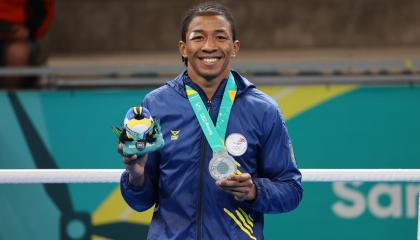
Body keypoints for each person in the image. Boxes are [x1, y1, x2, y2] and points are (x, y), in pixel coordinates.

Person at [118, 2, 303, 239]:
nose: (209, 46)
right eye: (198, 38)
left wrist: (254, 191)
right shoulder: (156, 104)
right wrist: (136, 175)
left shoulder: (264, 110)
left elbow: (291, 190)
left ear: (234, 47)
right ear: (183, 48)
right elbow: (140, 202)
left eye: (220, 37)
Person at [0, 0, 55, 88]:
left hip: (19, 34)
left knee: (18, 54)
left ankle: (11, 95)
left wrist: (28, 31)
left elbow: (45, 11)